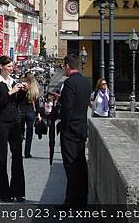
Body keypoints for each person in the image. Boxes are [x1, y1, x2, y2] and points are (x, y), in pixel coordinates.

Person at [0, 55, 27, 202]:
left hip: (15, 122)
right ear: (1, 67)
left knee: (17, 156)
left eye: (12, 66)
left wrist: (22, 91)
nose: (12, 69)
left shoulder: (12, 81)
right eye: (9, 66)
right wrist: (10, 93)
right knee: (1, 157)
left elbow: (18, 102)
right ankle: (3, 193)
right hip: (1, 123)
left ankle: (18, 191)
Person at [59, 53, 91, 205]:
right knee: (81, 165)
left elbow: (67, 109)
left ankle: (71, 200)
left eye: (63, 66)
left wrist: (63, 127)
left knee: (71, 166)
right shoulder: (86, 82)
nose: (63, 69)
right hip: (82, 128)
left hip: (70, 131)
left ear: (67, 66)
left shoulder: (69, 83)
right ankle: (82, 197)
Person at [19, 74, 41, 158]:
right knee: (29, 133)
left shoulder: (23, 87)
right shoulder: (34, 89)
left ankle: (19, 151)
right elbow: (37, 103)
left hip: (21, 111)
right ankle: (27, 152)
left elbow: (18, 99)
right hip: (30, 112)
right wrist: (38, 114)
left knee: (20, 132)